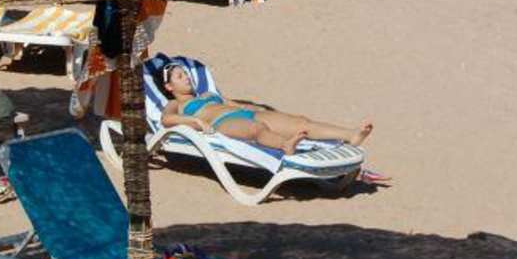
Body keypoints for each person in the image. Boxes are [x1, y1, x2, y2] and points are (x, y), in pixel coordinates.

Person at [154, 61, 372, 152]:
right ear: (169, 87)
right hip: (223, 123)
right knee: (255, 129)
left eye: (186, 73)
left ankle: (351, 134)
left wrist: (259, 109)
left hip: (244, 113)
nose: (187, 78)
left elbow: (232, 103)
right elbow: (166, 120)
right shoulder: (176, 104)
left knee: (300, 122)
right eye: (180, 76)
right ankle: (285, 145)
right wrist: (195, 121)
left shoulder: (209, 94)